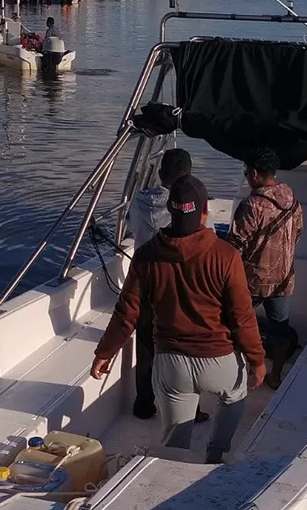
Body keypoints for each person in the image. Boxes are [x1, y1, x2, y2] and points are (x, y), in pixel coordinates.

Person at [91, 175, 266, 464]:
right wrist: (257, 360)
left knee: (173, 449)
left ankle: (173, 466)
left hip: (172, 365)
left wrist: (104, 353)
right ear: (204, 212)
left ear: (171, 211)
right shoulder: (227, 255)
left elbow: (127, 312)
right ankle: (216, 453)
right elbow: (242, 317)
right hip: (220, 360)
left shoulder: (146, 255)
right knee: (234, 397)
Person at [228, 146, 303, 389]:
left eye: (247, 172)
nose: (246, 176)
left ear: (255, 174)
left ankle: (243, 372)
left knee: (236, 324)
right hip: (283, 278)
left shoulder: (252, 204)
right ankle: (275, 375)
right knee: (280, 329)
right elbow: (298, 232)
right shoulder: (291, 197)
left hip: (254, 280)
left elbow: (235, 244)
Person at [126, 147, 192, 418]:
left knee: (145, 345)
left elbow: (132, 227)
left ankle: (143, 403)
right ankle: (184, 408)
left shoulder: (138, 200)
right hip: (176, 286)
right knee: (182, 346)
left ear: (161, 172)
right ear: (188, 176)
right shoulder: (188, 206)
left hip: (145, 283)